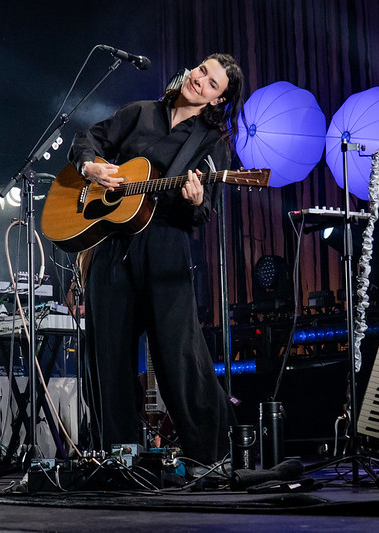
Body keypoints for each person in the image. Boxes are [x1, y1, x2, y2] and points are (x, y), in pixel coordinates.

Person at [69, 53, 245, 465]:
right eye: (202, 70)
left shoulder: (212, 143)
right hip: (111, 244)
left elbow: (202, 213)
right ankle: (120, 458)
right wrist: (92, 167)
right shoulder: (140, 112)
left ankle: (211, 456)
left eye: (212, 83)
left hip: (165, 247)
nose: (200, 80)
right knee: (108, 356)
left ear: (218, 101)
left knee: (178, 354)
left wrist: (196, 200)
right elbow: (85, 140)